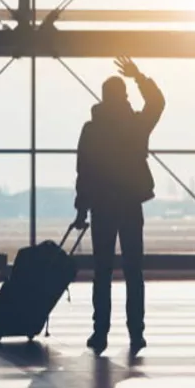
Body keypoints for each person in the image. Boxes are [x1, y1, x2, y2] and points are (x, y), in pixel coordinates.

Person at [72, 56, 165, 357]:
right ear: (123, 96)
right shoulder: (135, 125)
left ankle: (100, 333)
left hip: (102, 207)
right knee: (133, 270)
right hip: (129, 204)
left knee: (102, 271)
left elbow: (83, 170)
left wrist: (81, 207)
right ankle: (136, 333)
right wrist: (139, 76)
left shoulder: (91, 129)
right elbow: (158, 102)